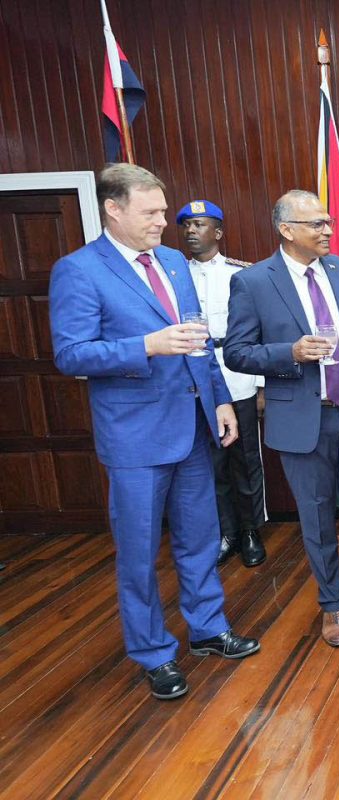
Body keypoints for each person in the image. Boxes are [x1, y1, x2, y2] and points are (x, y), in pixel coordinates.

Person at [48, 164, 260, 701]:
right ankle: (153, 653)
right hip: (135, 440)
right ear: (113, 209)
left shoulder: (171, 261)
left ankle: (209, 630)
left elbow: (198, 340)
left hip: (192, 426)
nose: (164, 223)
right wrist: (146, 345)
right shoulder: (78, 270)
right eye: (152, 213)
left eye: (164, 211)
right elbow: (71, 353)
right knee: (139, 553)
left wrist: (219, 402)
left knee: (201, 539)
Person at [223, 190, 339, 648]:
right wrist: (289, 353)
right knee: (317, 516)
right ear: (287, 231)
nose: (328, 230)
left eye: (328, 222)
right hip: (303, 421)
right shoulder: (253, 283)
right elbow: (236, 352)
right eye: (317, 225)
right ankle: (333, 605)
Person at [177, 200, 267, 568]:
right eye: (185, 225)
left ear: (218, 232)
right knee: (209, 464)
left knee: (245, 460)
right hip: (194, 377)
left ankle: (250, 531)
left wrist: (261, 385)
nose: (191, 232)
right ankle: (226, 532)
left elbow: (257, 332)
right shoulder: (173, 275)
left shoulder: (241, 274)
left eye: (199, 225)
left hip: (236, 375)